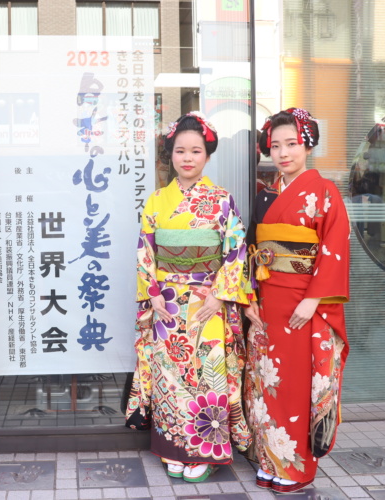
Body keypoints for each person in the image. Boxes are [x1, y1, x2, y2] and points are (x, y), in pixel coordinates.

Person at [125, 111, 252, 483]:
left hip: (208, 300)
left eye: (196, 151)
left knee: (207, 373)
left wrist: (222, 294)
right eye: (180, 151)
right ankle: (173, 447)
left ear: (207, 155)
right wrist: (153, 295)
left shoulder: (222, 200)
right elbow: (145, 251)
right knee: (169, 375)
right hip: (166, 300)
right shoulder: (157, 202)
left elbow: (236, 249)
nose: (187, 158)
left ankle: (204, 449)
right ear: (171, 156)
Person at [243, 108, 350, 493]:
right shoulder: (265, 195)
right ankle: (270, 459)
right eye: (275, 146)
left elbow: (334, 249)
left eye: (291, 144)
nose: (283, 152)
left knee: (296, 385)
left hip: (304, 306)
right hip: (267, 303)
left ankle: (297, 469)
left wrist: (315, 298)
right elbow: (253, 249)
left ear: (308, 144)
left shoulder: (324, 192)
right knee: (268, 383)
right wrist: (248, 298)